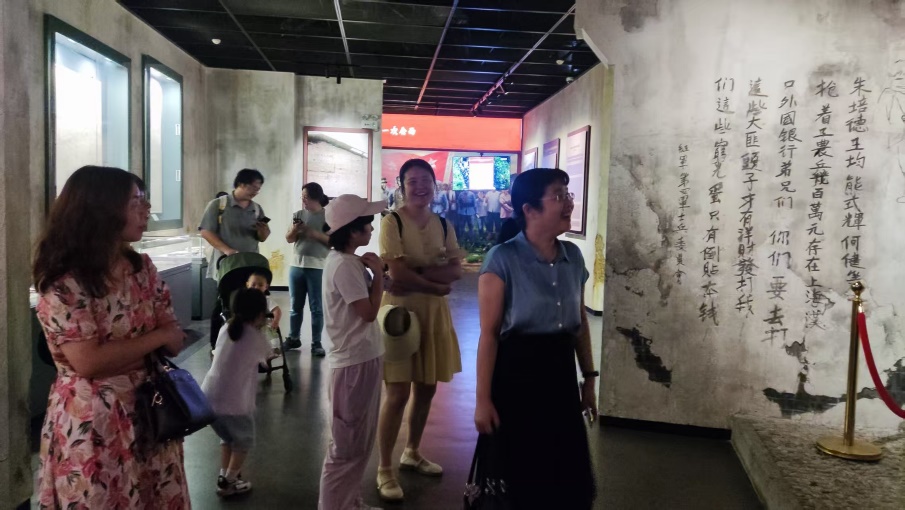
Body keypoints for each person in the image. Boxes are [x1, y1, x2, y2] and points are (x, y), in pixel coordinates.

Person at [33, 165, 190, 508]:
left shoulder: (142, 268)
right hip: (93, 423)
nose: (146, 210)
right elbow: (89, 362)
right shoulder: (65, 283)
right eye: (136, 201)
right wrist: (155, 337)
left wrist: (122, 352)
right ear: (101, 209)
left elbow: (176, 340)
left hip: (151, 413)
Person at [474, 168, 598, 509]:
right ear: (529, 209)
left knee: (566, 475)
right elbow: (489, 336)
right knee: (522, 476)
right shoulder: (502, 259)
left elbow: (579, 323)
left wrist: (589, 379)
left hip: (560, 377)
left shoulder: (573, 257)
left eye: (568, 195)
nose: (568, 203)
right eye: (558, 196)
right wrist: (482, 400)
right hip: (517, 380)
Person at [375, 159, 463, 502]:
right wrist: (434, 282)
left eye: (426, 180)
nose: (420, 187)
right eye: (412, 181)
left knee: (426, 387)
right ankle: (384, 468)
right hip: (400, 314)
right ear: (401, 186)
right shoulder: (391, 221)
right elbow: (395, 273)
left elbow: (455, 270)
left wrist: (418, 274)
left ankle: (411, 451)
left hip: (433, 313)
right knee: (397, 392)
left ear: (435, 185)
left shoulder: (443, 224)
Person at [318, 194, 388, 510]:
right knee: (347, 447)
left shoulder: (345, 262)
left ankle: (349, 502)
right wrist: (379, 278)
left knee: (357, 442)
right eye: (367, 224)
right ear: (352, 231)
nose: (371, 229)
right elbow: (369, 313)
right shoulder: (345, 265)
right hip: (354, 363)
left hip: (360, 359)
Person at [202, 287, 272, 497]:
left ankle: (224, 476)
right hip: (234, 403)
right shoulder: (256, 337)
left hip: (209, 399)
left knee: (228, 439)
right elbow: (268, 359)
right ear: (259, 314)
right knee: (243, 442)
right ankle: (229, 483)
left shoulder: (226, 328)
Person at [200, 168, 270, 350]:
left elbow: (262, 238)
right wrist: (227, 250)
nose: (256, 192)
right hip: (228, 265)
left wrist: (263, 231)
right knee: (225, 303)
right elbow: (205, 231)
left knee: (250, 303)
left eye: (259, 188)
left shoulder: (256, 209)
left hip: (250, 264)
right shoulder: (218, 205)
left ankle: (246, 343)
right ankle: (217, 345)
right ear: (241, 184)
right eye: (253, 187)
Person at [284, 182, 330, 356]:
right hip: (296, 265)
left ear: (316, 197)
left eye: (306, 197)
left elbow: (333, 242)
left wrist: (314, 233)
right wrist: (295, 230)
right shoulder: (298, 214)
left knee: (316, 307)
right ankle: (293, 337)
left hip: (317, 266)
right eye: (302, 197)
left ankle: (316, 342)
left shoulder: (328, 216)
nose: (303, 200)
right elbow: (289, 239)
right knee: (295, 305)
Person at [246, 270, 282, 360]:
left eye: (260, 285)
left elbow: (277, 310)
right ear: (247, 285)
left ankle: (273, 350)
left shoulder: (267, 299)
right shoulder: (245, 299)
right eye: (253, 285)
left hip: (264, 325)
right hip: (250, 325)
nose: (256, 287)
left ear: (266, 287)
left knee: (270, 333)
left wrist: (276, 321)